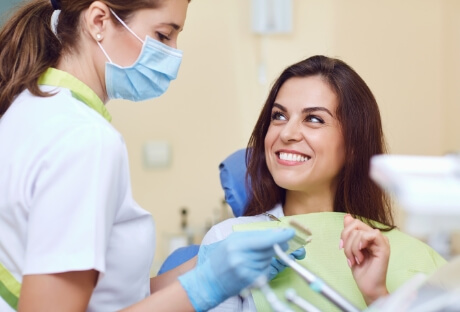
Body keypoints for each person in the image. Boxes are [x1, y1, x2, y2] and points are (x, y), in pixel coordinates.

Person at [0, 0, 302, 311]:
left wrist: (202, 266)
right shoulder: (85, 140)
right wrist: (206, 285)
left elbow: (105, 296)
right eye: (163, 36)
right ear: (99, 21)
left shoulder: (31, 108)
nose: (174, 54)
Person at [202, 55, 447, 311]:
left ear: (353, 145)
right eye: (279, 116)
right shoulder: (229, 241)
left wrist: (378, 296)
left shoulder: (416, 259)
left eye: (314, 119)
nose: (286, 133)